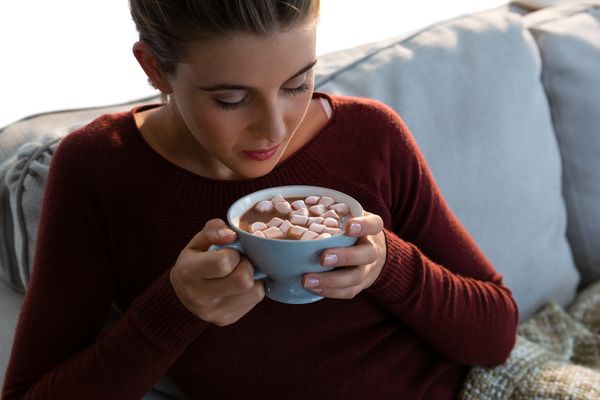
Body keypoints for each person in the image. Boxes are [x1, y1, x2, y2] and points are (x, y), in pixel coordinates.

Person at [2, 1, 518, 399]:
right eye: (231, 99)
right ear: (154, 67)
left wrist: (390, 266)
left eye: (298, 84)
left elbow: (496, 334)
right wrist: (176, 310)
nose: (274, 130)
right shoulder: (99, 168)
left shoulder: (370, 136)